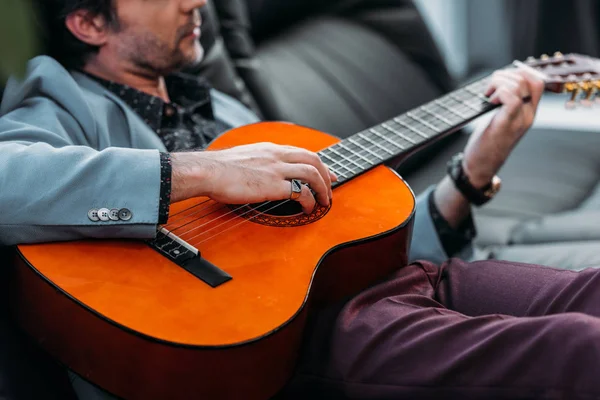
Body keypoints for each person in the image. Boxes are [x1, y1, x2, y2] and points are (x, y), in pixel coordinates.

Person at [0, 0, 598, 399]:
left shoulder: (227, 113)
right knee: (579, 347)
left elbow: (343, 244)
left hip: (400, 280)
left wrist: (474, 170)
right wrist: (201, 171)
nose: (195, 1)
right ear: (90, 25)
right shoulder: (60, 107)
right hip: (290, 335)